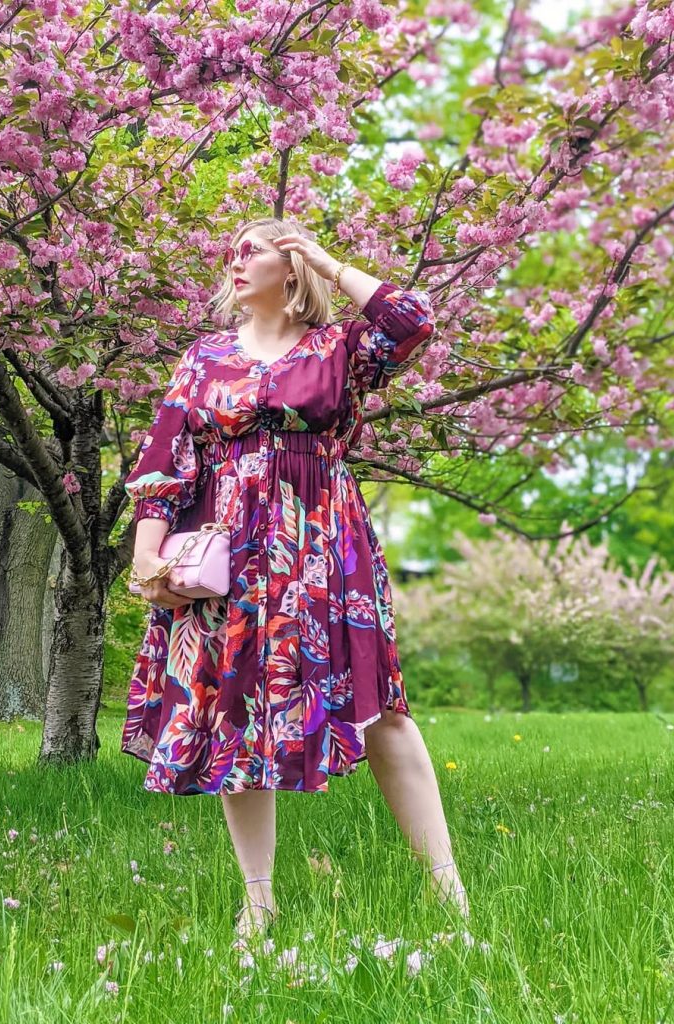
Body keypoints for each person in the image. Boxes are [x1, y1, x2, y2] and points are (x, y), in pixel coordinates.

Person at [122, 217, 469, 942]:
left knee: (382, 709)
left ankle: (449, 898)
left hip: (323, 545)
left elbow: (412, 321)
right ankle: (258, 906)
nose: (234, 259)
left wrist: (325, 258)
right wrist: (145, 559)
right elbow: (162, 462)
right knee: (233, 716)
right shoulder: (203, 357)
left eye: (253, 248)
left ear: (290, 265)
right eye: (233, 248)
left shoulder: (338, 349)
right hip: (227, 551)